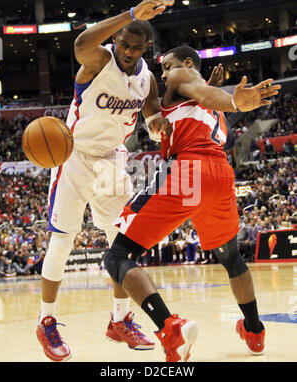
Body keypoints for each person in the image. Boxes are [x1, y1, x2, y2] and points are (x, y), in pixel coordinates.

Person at [103, 45, 281, 361]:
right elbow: (202, 95)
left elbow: (201, 91)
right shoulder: (199, 95)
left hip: (185, 170)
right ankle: (254, 332)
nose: (164, 73)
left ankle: (170, 329)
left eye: (167, 66)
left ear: (186, 63)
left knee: (118, 256)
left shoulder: (186, 77)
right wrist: (223, 97)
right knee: (231, 259)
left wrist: (234, 100)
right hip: (221, 175)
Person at [36, 0, 176, 362]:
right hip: (74, 155)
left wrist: (157, 122)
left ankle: (120, 320)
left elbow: (151, 110)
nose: (128, 51)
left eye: (136, 47)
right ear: (117, 40)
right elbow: (81, 43)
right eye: (124, 43)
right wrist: (130, 15)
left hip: (113, 160)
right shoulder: (98, 60)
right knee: (62, 242)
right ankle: (45, 320)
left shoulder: (147, 79)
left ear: (147, 49)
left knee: (122, 245)